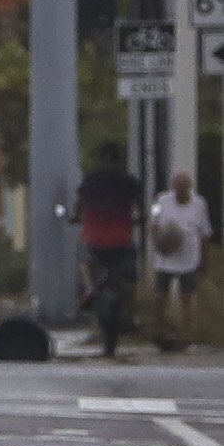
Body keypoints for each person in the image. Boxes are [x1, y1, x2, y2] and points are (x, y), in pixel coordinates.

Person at [74, 142, 145, 355]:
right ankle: (130, 314)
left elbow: (79, 203)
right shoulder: (128, 180)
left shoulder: (91, 178)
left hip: (95, 238)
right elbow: (139, 205)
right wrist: (140, 218)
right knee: (131, 278)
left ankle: (89, 287)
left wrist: (76, 217)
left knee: (83, 257)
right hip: (121, 238)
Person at [145, 169, 208, 354]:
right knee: (160, 296)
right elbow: (154, 223)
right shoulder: (162, 200)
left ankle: (185, 335)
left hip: (189, 258)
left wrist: (205, 260)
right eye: (177, 184)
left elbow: (204, 233)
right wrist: (158, 242)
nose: (180, 188)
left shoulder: (199, 203)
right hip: (166, 259)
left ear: (189, 187)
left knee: (187, 297)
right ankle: (160, 331)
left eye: (184, 184)